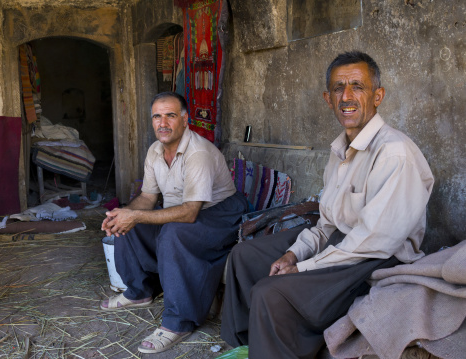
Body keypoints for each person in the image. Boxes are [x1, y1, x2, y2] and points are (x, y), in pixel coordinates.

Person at [220, 51, 434, 359]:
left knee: (271, 292)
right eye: (338, 88)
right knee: (245, 256)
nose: (346, 96)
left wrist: (303, 267)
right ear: (327, 98)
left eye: (357, 86)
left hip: (375, 260)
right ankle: (248, 344)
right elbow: (327, 224)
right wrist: (294, 253)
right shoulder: (339, 150)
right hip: (342, 244)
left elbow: (372, 242)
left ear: (378, 96)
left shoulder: (394, 153)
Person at [100, 92, 248, 354]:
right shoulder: (155, 151)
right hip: (186, 212)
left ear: (185, 119)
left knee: (171, 233)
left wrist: (135, 215)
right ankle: (139, 291)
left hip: (220, 214)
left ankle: (178, 322)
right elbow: (147, 198)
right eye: (157, 116)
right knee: (127, 219)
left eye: (170, 115)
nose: (163, 123)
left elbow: (190, 213)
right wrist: (122, 215)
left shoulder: (198, 152)